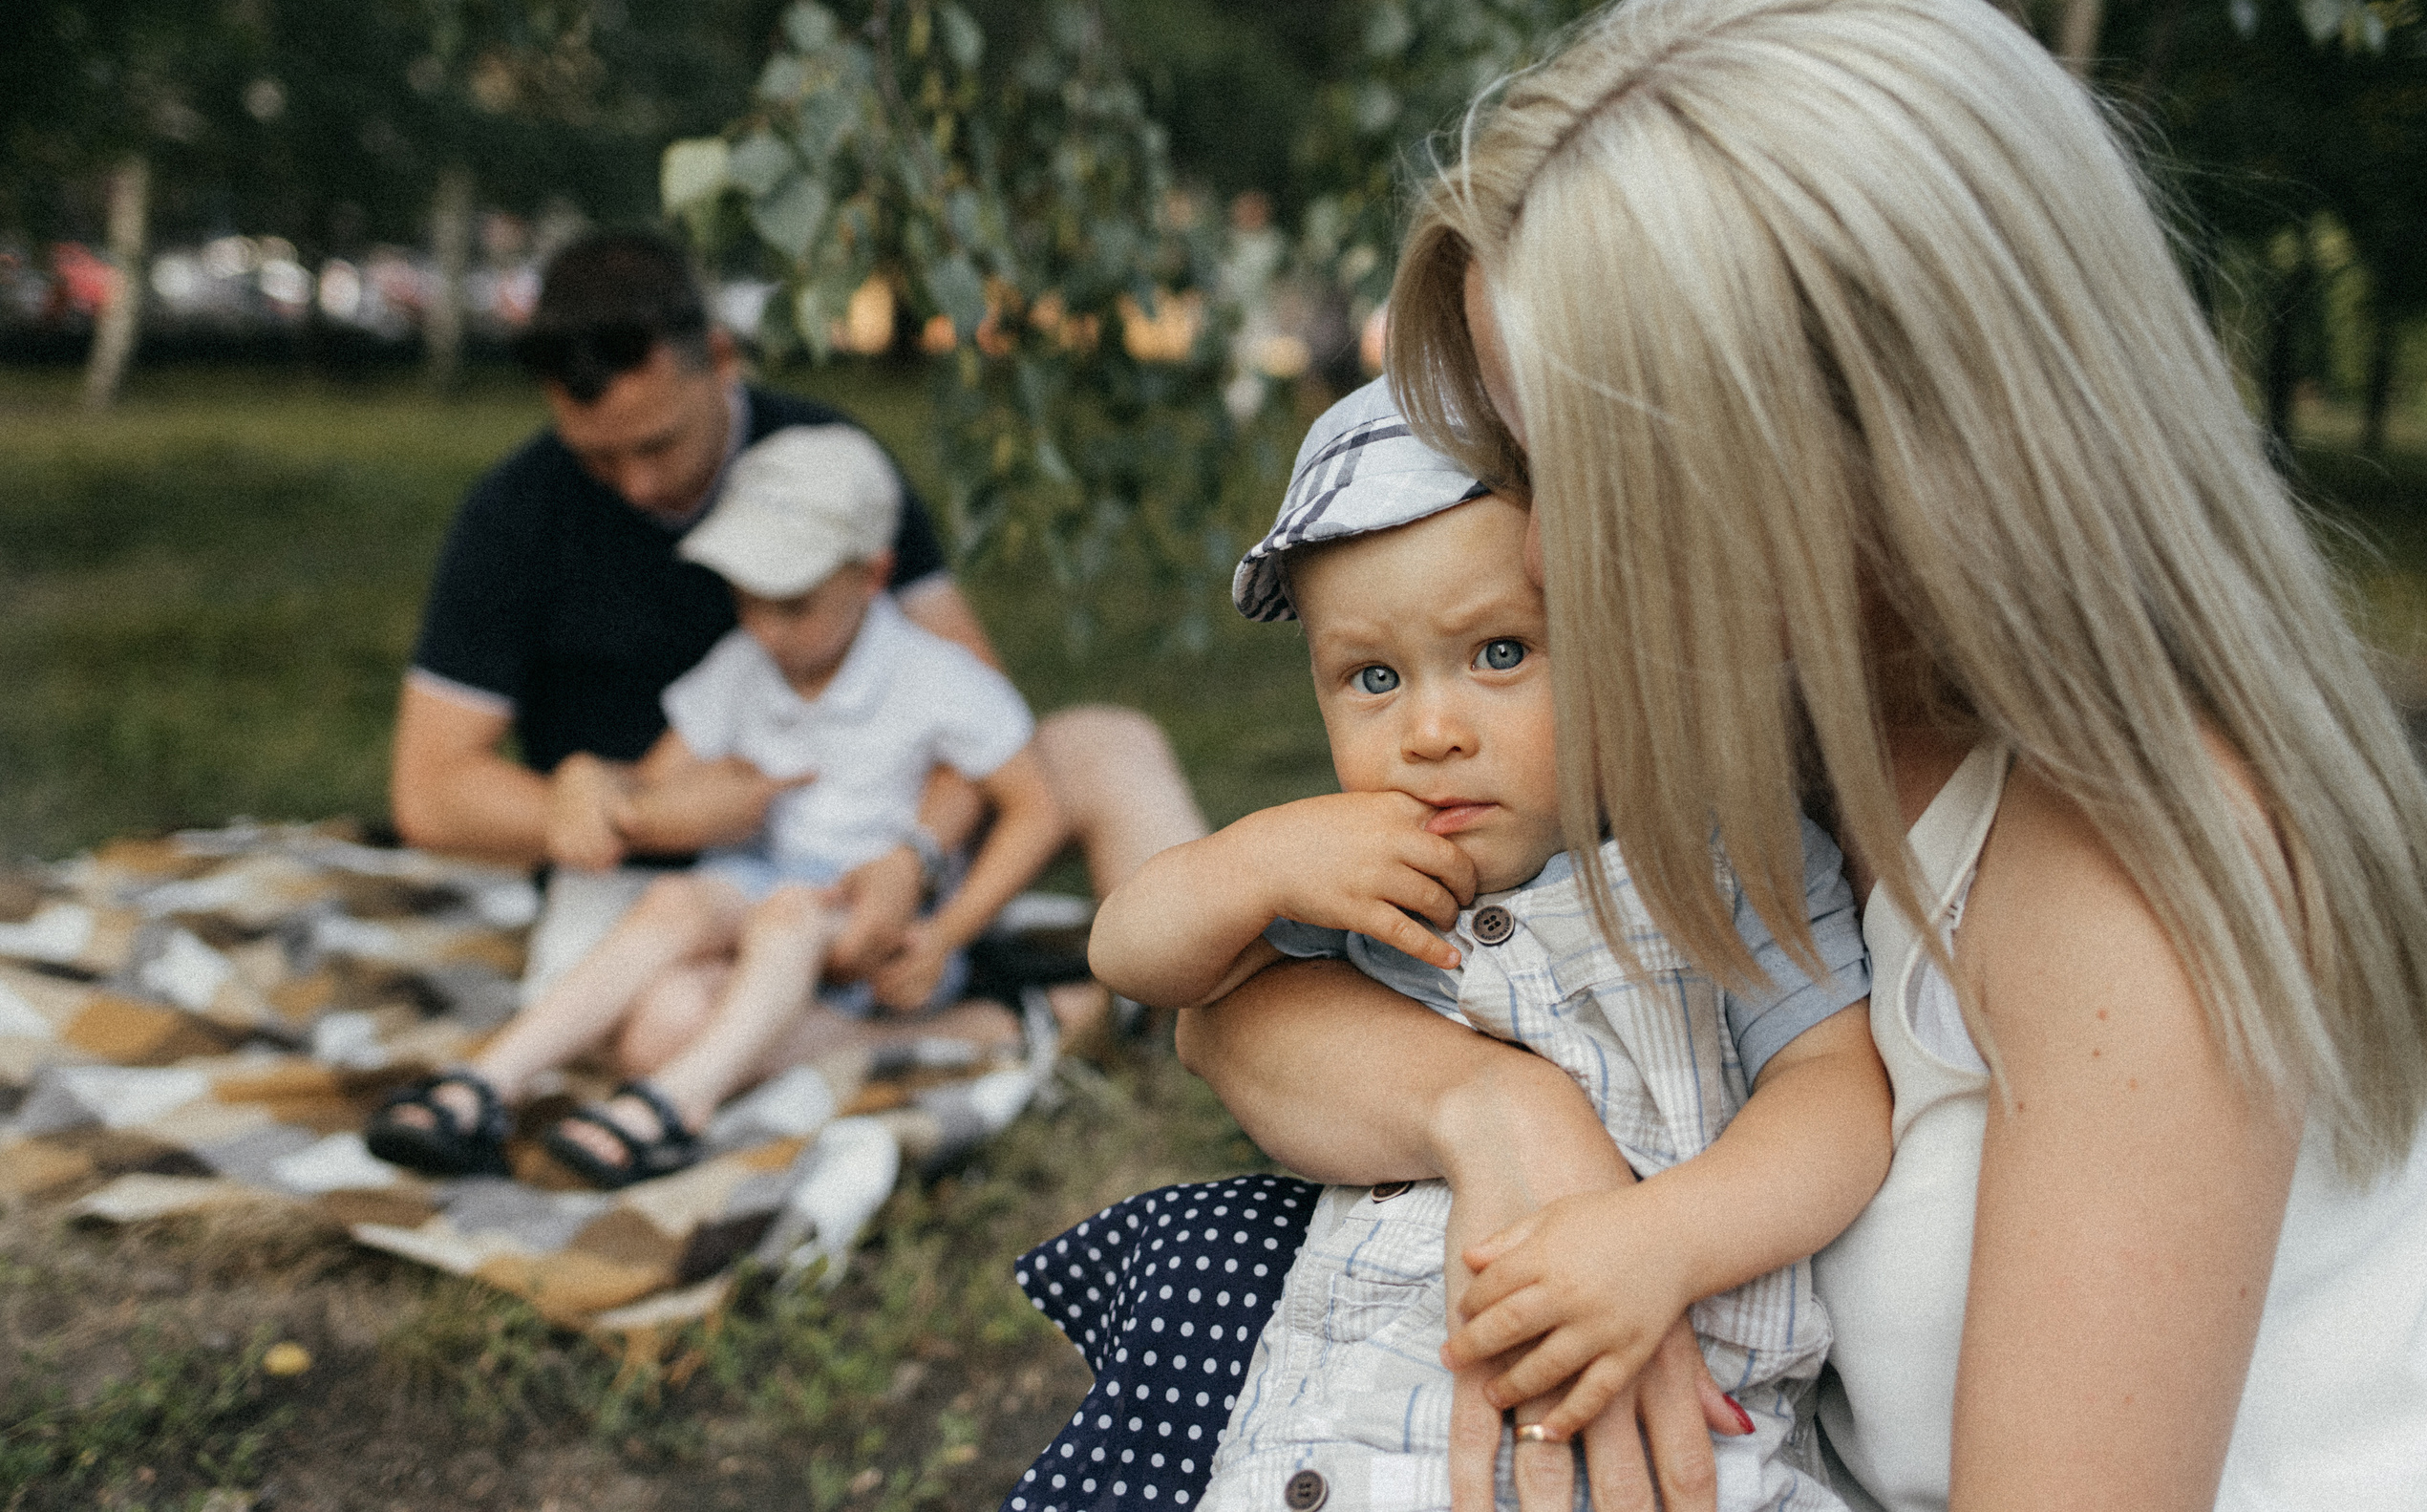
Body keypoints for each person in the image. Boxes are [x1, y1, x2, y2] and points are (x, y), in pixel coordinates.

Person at [1022, 0, 2427, 1512]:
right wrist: (1496, 1106)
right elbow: (1225, 1012)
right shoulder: (1756, 715)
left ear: (1866, 454)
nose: (1538, 553)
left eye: (1581, 467)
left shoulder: (2129, 880)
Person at [1045, 385, 1887, 1512]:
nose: (1429, 731)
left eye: (1499, 652)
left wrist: (1664, 1240)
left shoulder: (1723, 855)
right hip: (1347, 1435)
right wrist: (1245, 863)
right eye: (1372, 678)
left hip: (1672, 1440)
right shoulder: (1360, 871)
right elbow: (1133, 956)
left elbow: (1833, 1091)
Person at [389, 227, 1204, 1033]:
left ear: (719, 356)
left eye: (658, 444)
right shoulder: (514, 515)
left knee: (1112, 747)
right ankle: (999, 1029)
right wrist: (636, 808)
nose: (636, 485)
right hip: (677, 875)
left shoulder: (825, 464)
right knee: (651, 1026)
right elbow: (430, 790)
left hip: (875, 828)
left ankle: (1221, 1006)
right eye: (599, 459)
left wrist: (912, 856)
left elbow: (975, 705)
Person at [369, 426, 1067, 1186]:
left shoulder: (935, 678)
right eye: (747, 599)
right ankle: (486, 1081)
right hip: (758, 892)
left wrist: (945, 932)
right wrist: (640, 796)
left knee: (784, 916)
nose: (767, 627)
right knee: (676, 909)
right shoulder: (745, 666)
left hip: (868, 925)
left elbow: (1035, 806)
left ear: (874, 574)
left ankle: (673, 1106)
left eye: (794, 604)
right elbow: (656, 789)